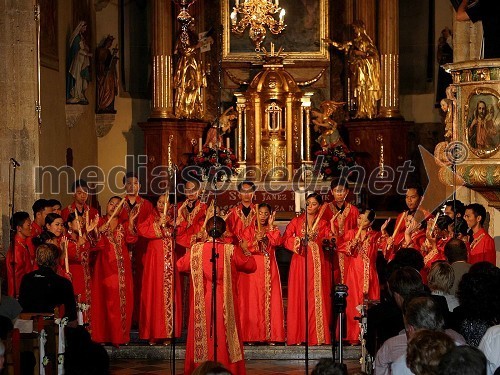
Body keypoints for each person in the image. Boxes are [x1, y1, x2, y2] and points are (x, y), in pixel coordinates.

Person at [177, 216, 256, 375]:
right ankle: (228, 369)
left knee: (204, 336)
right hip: (224, 300)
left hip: (203, 300)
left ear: (206, 231)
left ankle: (200, 370)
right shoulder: (230, 249)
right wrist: (246, 249)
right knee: (224, 335)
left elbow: (180, 265)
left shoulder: (197, 249)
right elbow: (251, 266)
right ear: (224, 231)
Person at [282, 193, 333, 346]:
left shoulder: (323, 223)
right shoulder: (297, 221)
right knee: (300, 294)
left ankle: (317, 335)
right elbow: (286, 238)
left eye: (313, 204)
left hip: (317, 262)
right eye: (308, 203)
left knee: (316, 295)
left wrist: (327, 239)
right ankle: (299, 335)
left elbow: (328, 239)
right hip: (300, 261)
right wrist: (298, 241)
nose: (310, 206)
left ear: (319, 206)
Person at [90, 196, 137, 346]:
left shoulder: (123, 225)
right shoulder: (100, 222)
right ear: (107, 205)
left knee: (122, 301)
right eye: (111, 203)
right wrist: (98, 232)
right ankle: (104, 336)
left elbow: (131, 240)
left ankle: (120, 336)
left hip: (123, 269)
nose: (113, 206)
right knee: (105, 301)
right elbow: (95, 246)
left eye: (117, 205)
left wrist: (130, 223)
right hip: (104, 268)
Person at [136, 194, 182, 345]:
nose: (162, 205)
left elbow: (183, 234)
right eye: (160, 202)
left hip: (169, 262)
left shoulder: (174, 218)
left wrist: (176, 225)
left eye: (166, 203)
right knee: (154, 294)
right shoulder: (151, 216)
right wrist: (157, 225)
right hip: (154, 263)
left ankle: (168, 333)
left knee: (168, 295)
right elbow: (141, 229)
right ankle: (153, 334)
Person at [237, 203, 285, 344]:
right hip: (254, 269)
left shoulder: (273, 229)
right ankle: (252, 335)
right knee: (253, 301)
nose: (263, 216)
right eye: (261, 213)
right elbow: (244, 249)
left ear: (270, 215)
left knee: (271, 299)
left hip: (270, 268)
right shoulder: (248, 230)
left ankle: (272, 336)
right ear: (255, 214)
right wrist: (254, 241)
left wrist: (270, 228)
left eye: (266, 214)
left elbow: (276, 242)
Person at [339, 209, 383, 343]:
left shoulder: (375, 236)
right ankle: (353, 336)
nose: (360, 221)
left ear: (370, 222)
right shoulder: (351, 233)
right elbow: (342, 248)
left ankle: (369, 337)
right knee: (353, 303)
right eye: (359, 218)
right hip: (354, 274)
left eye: (364, 219)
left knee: (370, 302)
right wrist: (352, 243)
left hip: (369, 273)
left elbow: (384, 248)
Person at [324, 20, 381, 119]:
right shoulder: (355, 40)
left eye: (355, 28)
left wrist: (362, 54)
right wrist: (331, 42)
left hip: (365, 70)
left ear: (360, 28)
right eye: (353, 28)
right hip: (358, 69)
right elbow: (343, 46)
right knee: (359, 91)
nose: (354, 30)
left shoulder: (365, 40)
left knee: (364, 90)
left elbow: (374, 54)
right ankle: (361, 111)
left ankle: (368, 111)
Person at [18, 243, 78, 323]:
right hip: (55, 328)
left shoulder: (27, 279)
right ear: (56, 260)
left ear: (37, 260)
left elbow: (22, 306)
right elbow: (72, 316)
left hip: (29, 327)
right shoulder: (64, 283)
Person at [174, 18, 212, 119]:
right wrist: (197, 46)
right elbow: (184, 50)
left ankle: (194, 111)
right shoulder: (184, 35)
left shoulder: (193, 36)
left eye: (194, 25)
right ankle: (185, 111)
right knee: (187, 86)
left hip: (194, 63)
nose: (194, 27)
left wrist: (205, 42)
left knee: (195, 86)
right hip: (187, 64)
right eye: (192, 25)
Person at [324, 177, 360, 283]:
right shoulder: (325, 209)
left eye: (342, 191)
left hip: (348, 251)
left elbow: (357, 229)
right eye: (336, 191)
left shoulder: (354, 210)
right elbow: (322, 228)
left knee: (349, 278)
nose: (339, 194)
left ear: (347, 192)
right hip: (332, 250)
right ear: (332, 192)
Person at [7, 212, 35, 298]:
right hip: (20, 293)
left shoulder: (22, 244)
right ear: (19, 228)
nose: (31, 228)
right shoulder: (17, 248)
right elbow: (17, 276)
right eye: (28, 225)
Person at [66, 21, 92, 104]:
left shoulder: (81, 37)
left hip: (81, 61)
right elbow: (77, 50)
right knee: (77, 77)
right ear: (80, 27)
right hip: (77, 61)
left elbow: (84, 47)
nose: (85, 29)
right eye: (84, 28)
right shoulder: (76, 38)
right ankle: (76, 95)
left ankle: (79, 95)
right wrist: (87, 54)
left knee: (80, 78)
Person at [95, 35, 118, 114]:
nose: (110, 45)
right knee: (106, 89)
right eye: (110, 43)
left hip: (109, 74)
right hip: (104, 75)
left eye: (111, 43)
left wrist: (113, 56)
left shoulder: (108, 51)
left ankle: (109, 106)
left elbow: (110, 61)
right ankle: (103, 105)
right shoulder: (100, 50)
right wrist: (104, 68)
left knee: (110, 90)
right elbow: (99, 62)